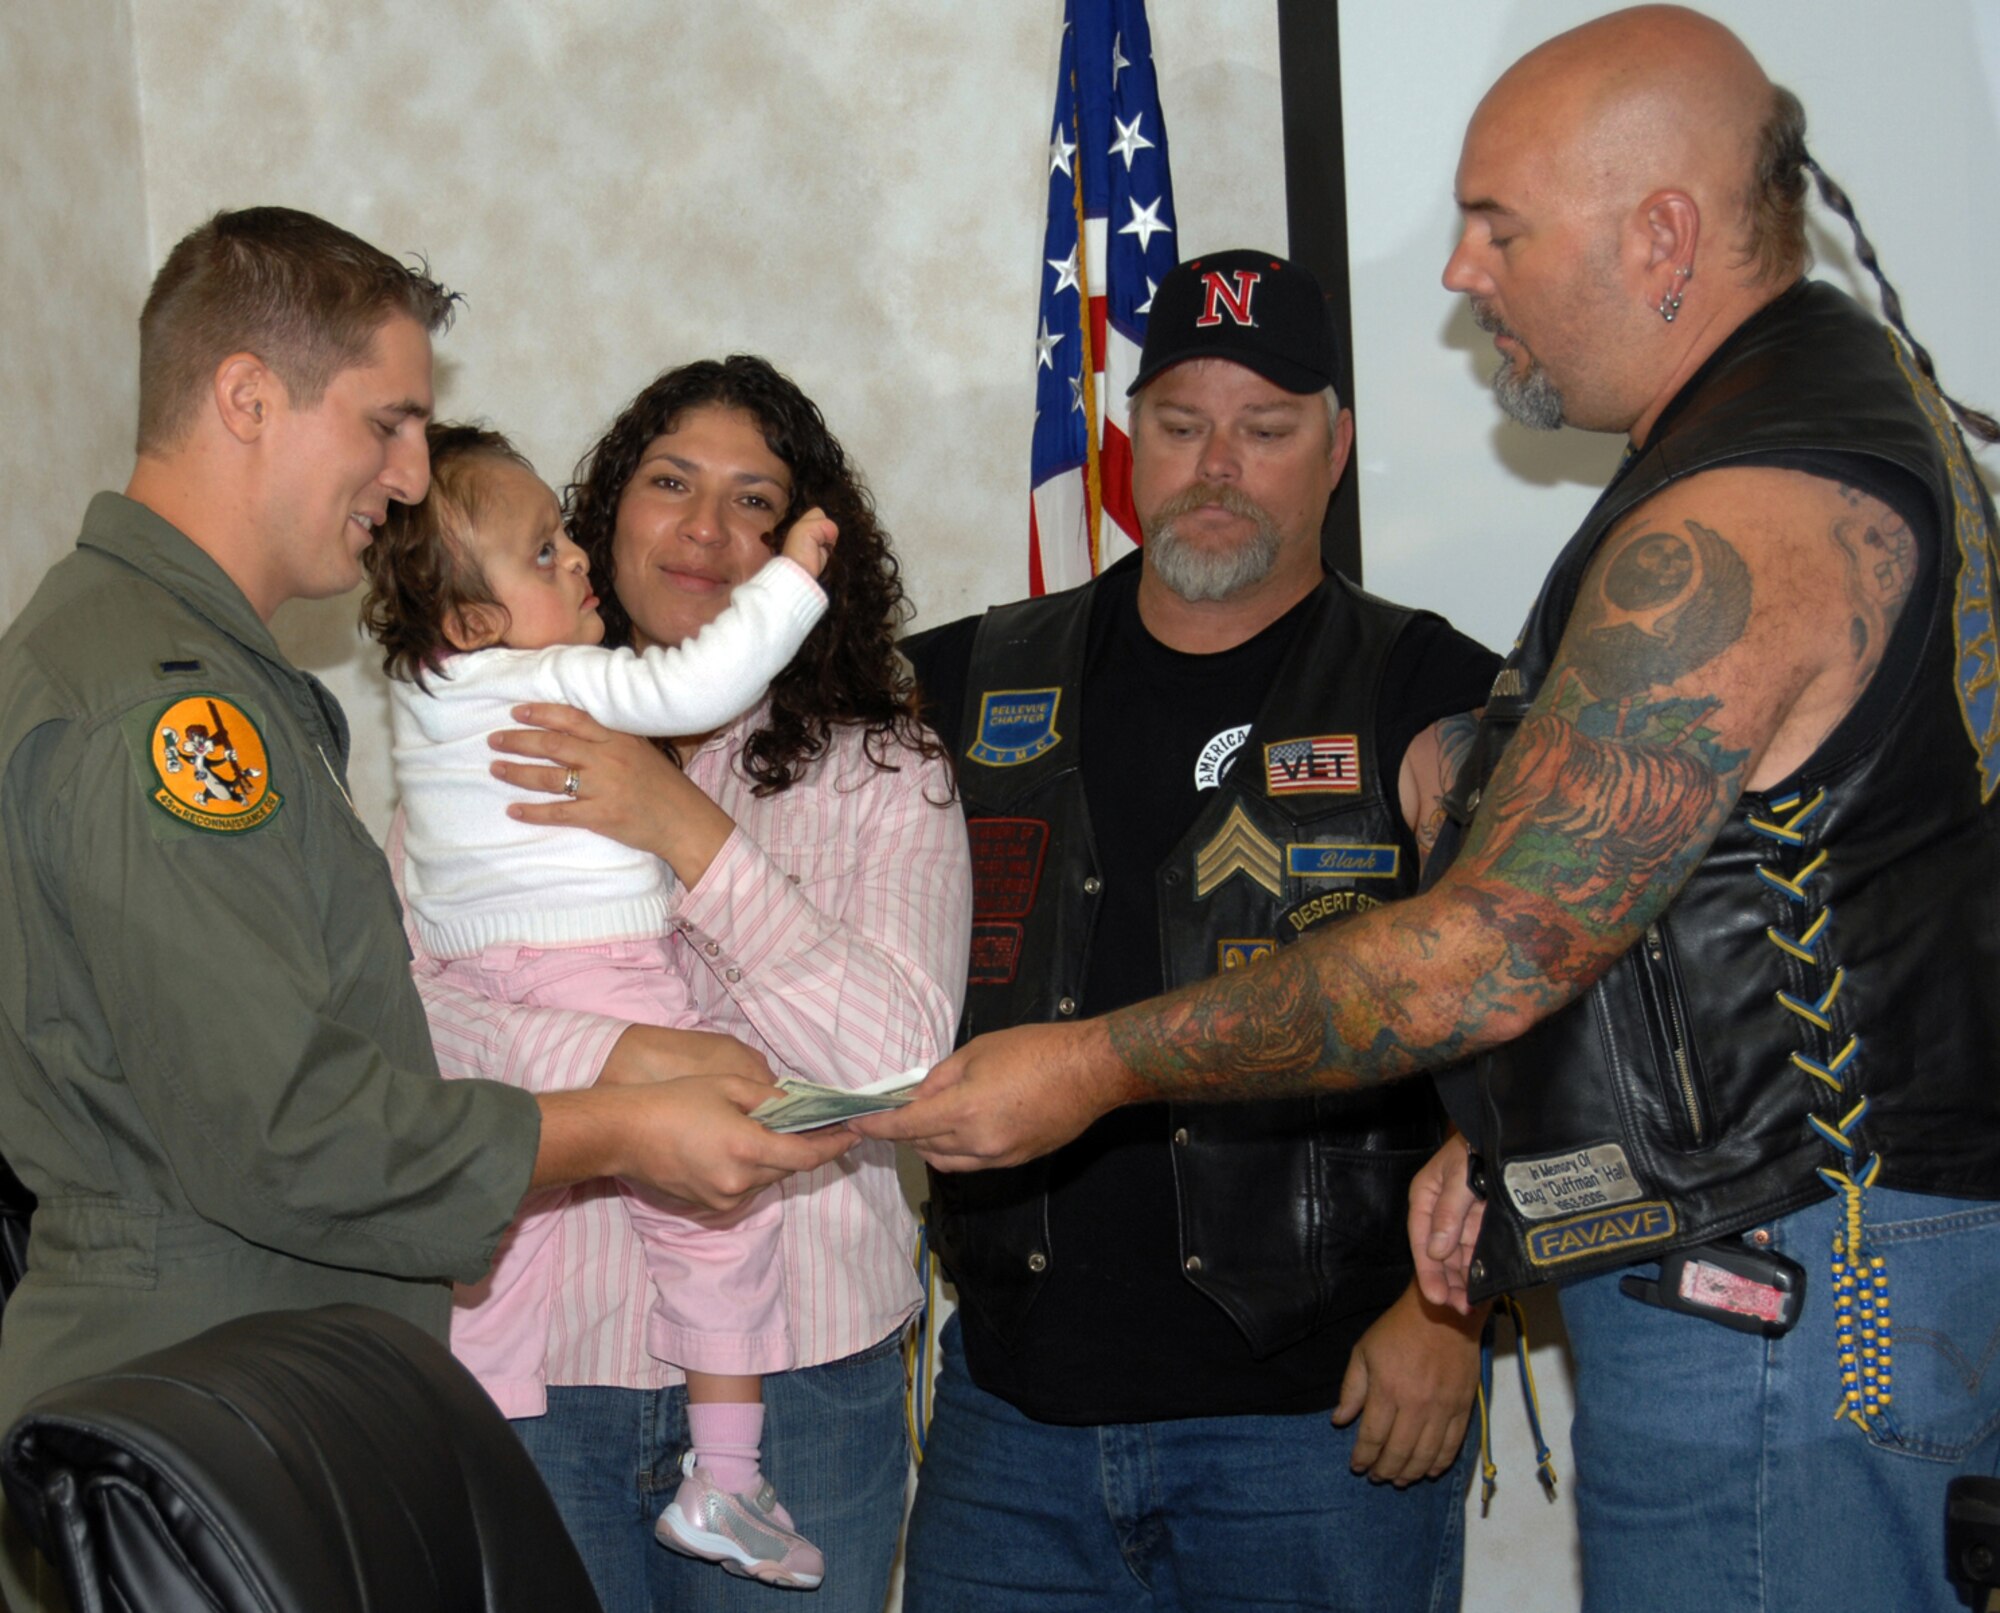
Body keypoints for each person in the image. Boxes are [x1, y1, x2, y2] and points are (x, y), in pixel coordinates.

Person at [858, 11, 2000, 1612]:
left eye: (1501, 225)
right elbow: (1678, 899)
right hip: (1770, 1265)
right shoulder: (1799, 436)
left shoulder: (1742, 514)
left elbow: (1488, 947)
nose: (1462, 272)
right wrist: (1523, 1126)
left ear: (1664, 234)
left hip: (1788, 1295)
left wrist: (1090, 1065)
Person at [0, 210, 853, 1613]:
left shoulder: (210, 675)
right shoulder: (168, 711)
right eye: (388, 423)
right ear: (247, 397)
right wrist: (623, 1127)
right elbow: (289, 1128)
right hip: (188, 1439)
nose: (408, 480)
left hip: (248, 1402)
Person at [897, 250, 1497, 1612]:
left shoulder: (1431, 689)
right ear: (1129, 446)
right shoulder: (966, 676)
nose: (1217, 464)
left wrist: (1455, 1304)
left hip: (1320, 1425)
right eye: (1180, 425)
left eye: (1267, 429)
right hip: (1012, 1422)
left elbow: (1544, 972)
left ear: (1335, 449)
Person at [397, 354, 971, 1613]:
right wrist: (628, 1068)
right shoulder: (481, 750)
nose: (706, 528)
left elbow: (896, 1066)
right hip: (543, 1380)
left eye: (753, 499)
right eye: (669, 481)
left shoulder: (885, 768)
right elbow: (409, 1017)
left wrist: (684, 830)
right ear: (599, 520)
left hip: (808, 1382)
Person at [361, 421, 841, 1588]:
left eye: (565, 537)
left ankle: (460, 1445)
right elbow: (701, 680)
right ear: (475, 624)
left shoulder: (422, 700)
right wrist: (792, 578)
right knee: (717, 1208)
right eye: (544, 554)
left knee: (492, 1231)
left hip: (490, 990)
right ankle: (726, 1476)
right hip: (599, 974)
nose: (573, 560)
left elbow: (421, 905)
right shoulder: (549, 678)